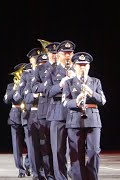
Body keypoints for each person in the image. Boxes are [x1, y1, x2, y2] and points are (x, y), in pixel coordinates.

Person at [62, 52, 106, 180]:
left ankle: (92, 177)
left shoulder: (95, 82)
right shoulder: (69, 83)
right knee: (76, 152)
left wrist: (91, 92)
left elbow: (103, 100)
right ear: (74, 66)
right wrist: (77, 100)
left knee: (94, 151)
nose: (83, 68)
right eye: (80, 65)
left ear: (89, 66)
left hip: (93, 119)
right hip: (75, 119)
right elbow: (65, 102)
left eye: (85, 65)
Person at [44, 40, 76, 180]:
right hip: (57, 114)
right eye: (65, 53)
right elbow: (47, 91)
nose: (68, 56)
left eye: (70, 53)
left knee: (75, 149)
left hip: (74, 113)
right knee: (58, 150)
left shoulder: (78, 69)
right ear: (59, 55)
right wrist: (62, 84)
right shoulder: (52, 70)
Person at [30, 42, 61, 180]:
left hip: (60, 110)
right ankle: (49, 174)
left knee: (59, 146)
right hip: (44, 111)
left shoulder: (63, 68)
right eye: (51, 53)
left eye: (56, 53)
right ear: (47, 54)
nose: (54, 56)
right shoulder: (40, 68)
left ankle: (60, 173)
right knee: (46, 145)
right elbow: (34, 87)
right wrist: (47, 87)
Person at [17, 47, 46, 180]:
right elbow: (23, 94)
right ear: (31, 60)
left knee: (46, 145)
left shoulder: (48, 73)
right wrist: (35, 95)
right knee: (33, 146)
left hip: (46, 112)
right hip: (32, 113)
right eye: (36, 58)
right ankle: (36, 173)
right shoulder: (26, 74)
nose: (39, 60)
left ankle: (47, 171)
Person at [4, 62, 31, 178]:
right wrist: (15, 88)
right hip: (15, 116)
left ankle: (29, 165)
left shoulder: (30, 84)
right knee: (16, 145)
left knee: (30, 143)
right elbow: (7, 100)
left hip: (28, 115)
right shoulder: (11, 86)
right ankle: (20, 169)